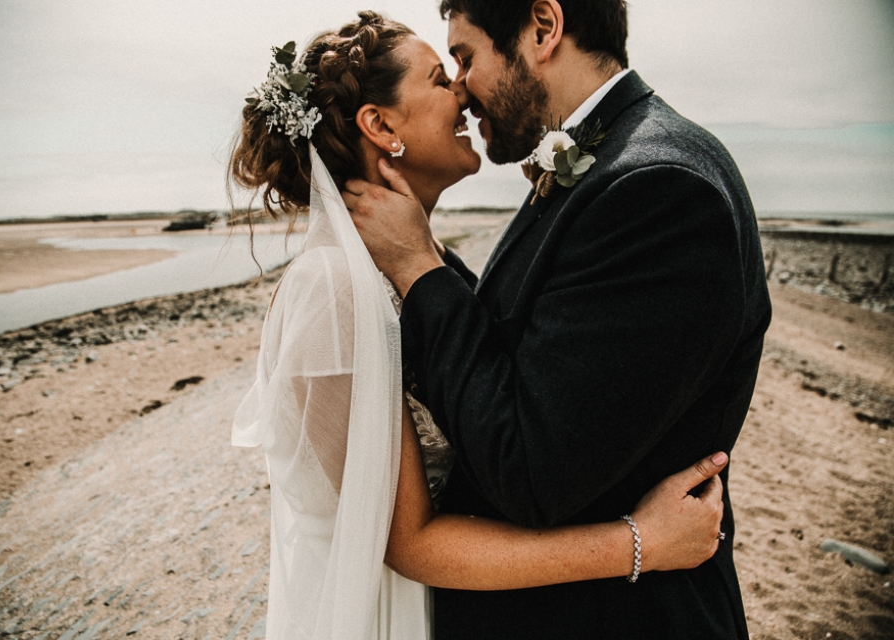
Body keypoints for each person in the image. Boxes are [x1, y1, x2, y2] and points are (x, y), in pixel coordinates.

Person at [231, 11, 733, 640]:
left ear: (545, 28)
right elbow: (406, 539)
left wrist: (419, 264)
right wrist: (640, 543)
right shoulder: (335, 288)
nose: (463, 89)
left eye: (463, 61)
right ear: (380, 126)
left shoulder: (426, 263)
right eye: (445, 76)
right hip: (382, 611)